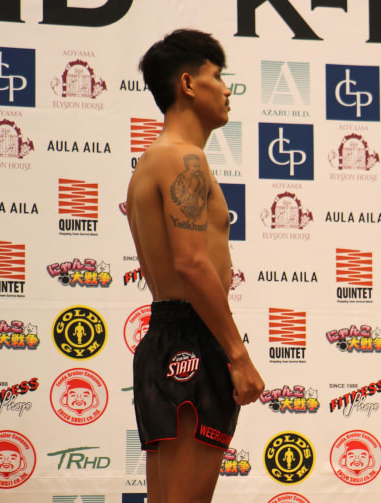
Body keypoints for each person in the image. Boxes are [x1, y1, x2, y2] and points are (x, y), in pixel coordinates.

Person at [126, 29, 264, 503]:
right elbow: (190, 263)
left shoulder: (153, 159)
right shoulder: (183, 158)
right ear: (187, 83)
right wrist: (238, 355)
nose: (226, 90)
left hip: (166, 338)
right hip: (190, 340)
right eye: (217, 76)